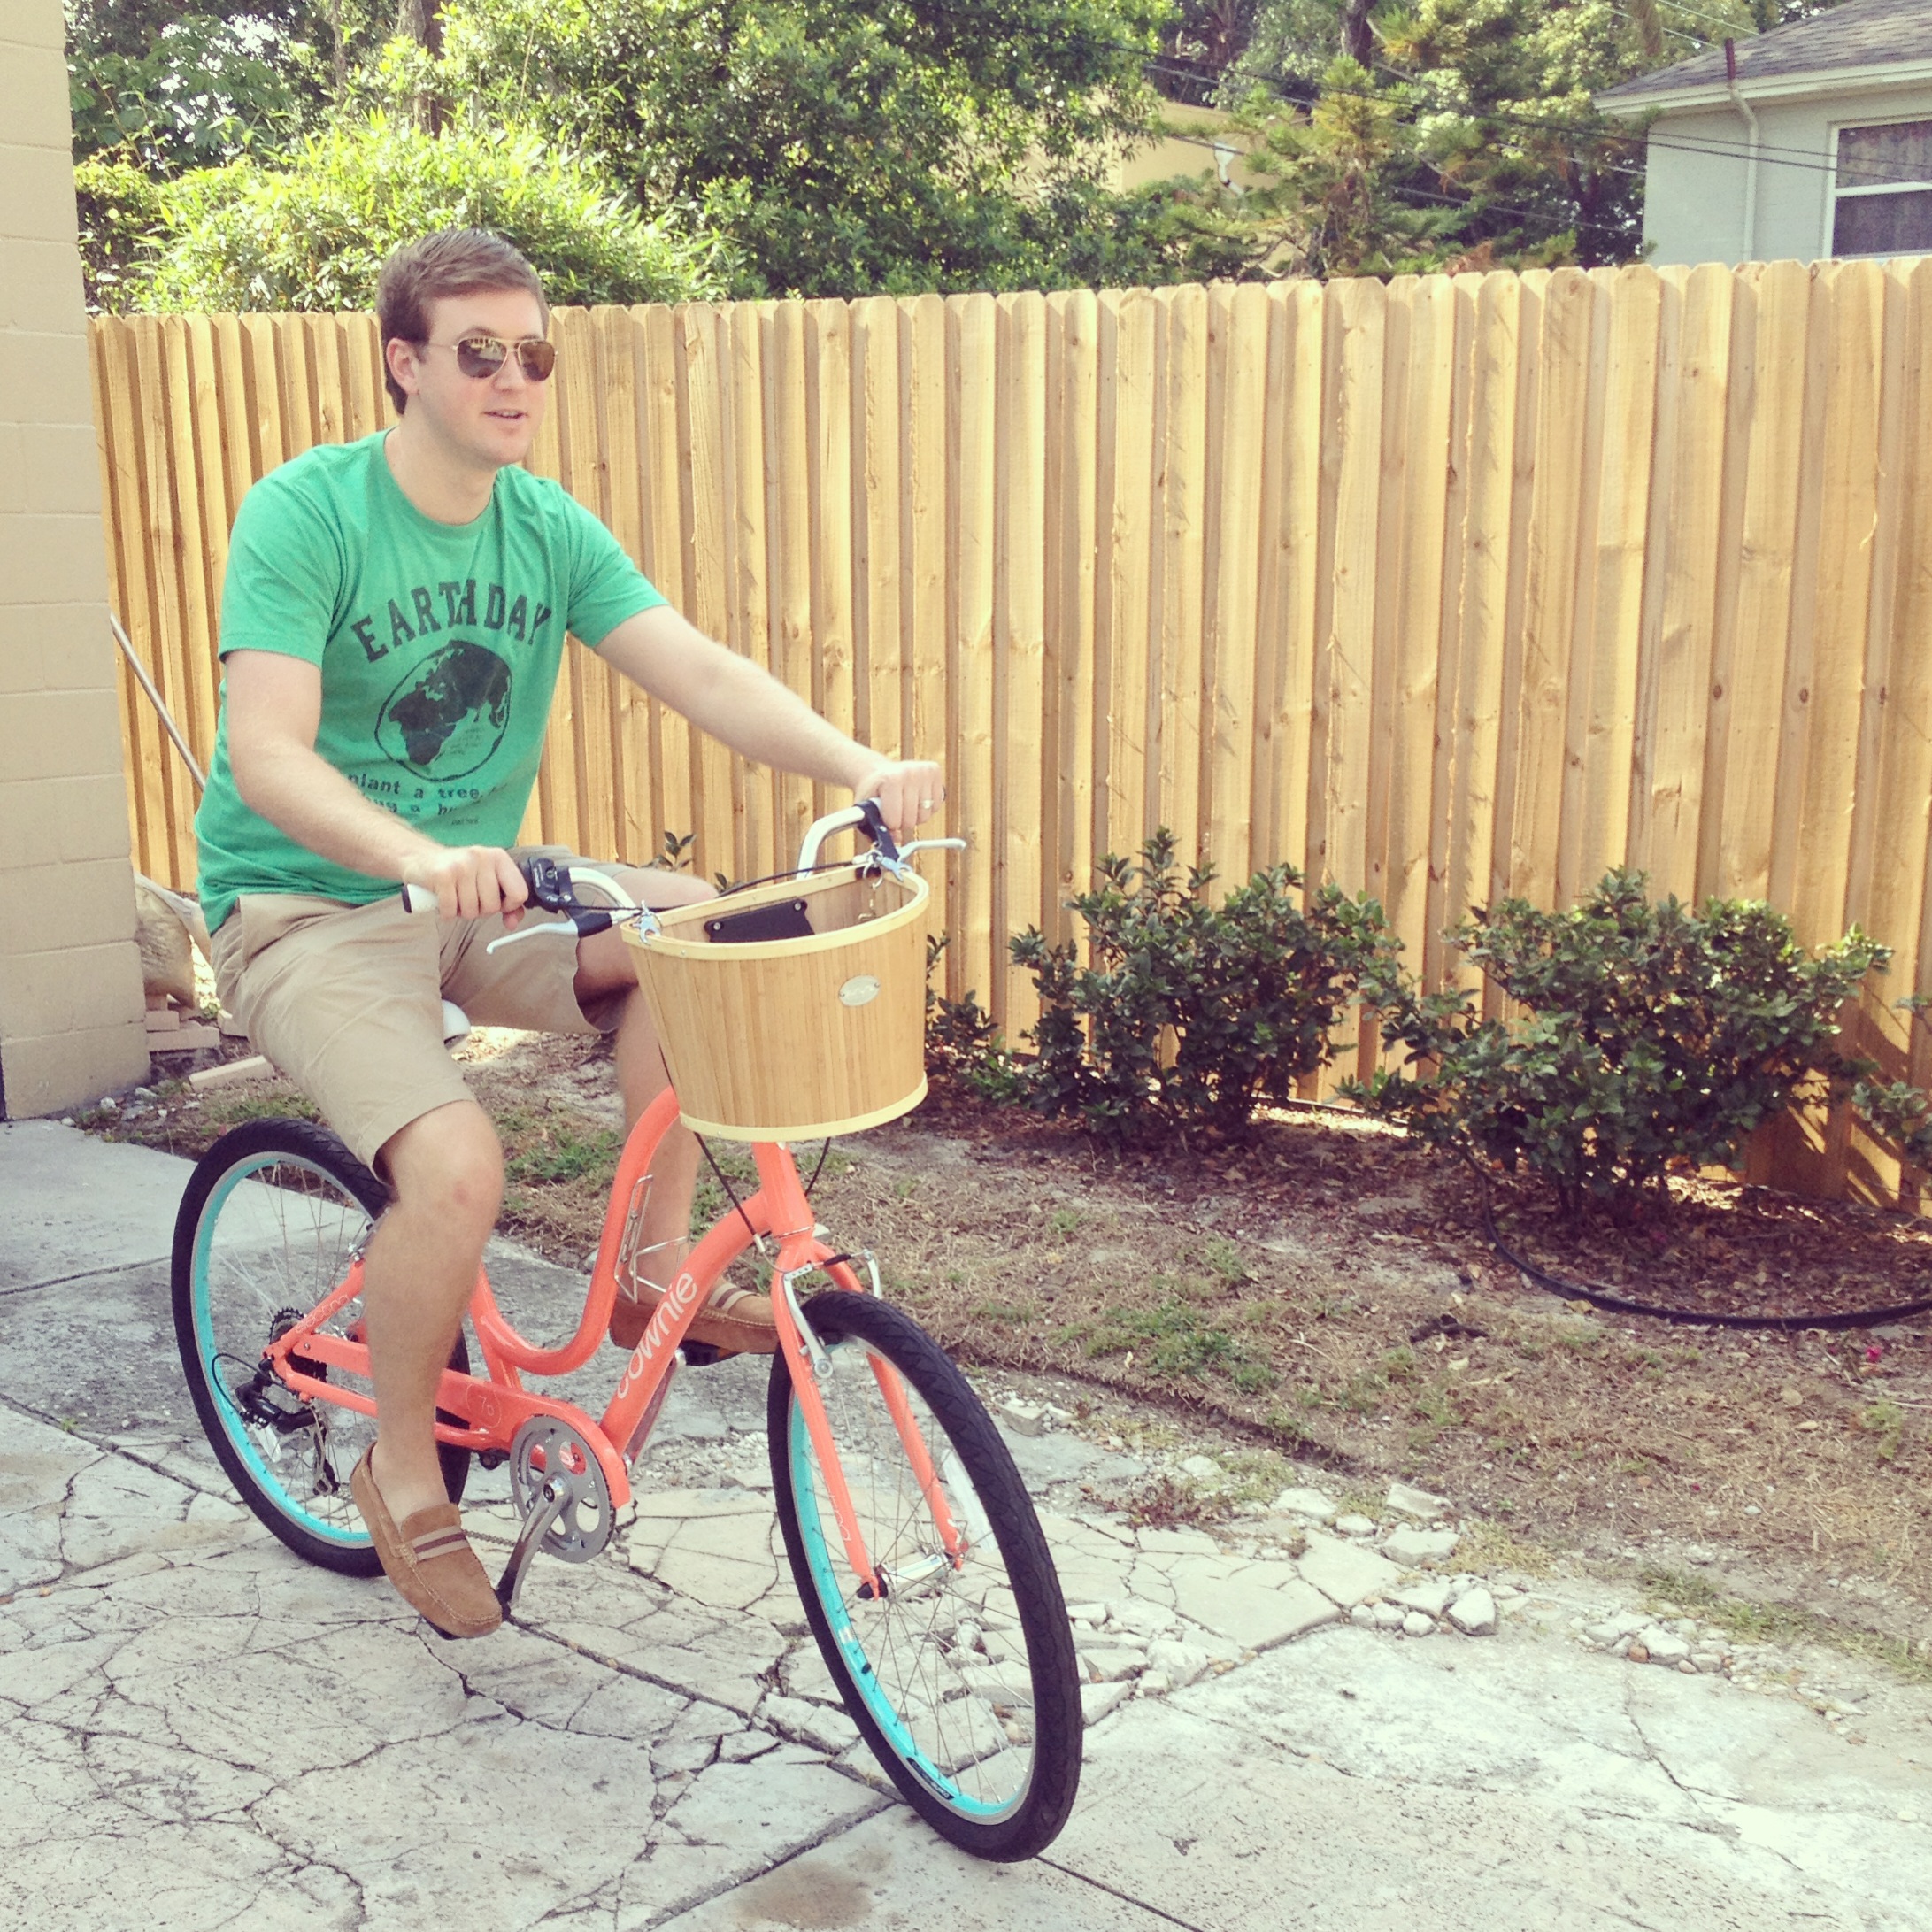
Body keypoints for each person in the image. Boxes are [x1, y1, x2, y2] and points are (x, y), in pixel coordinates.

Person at [195, 227, 944, 1640]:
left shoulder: (544, 528)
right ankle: (399, 1468)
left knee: (699, 937)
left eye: (533, 352)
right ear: (404, 363)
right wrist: (417, 854)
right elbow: (268, 753)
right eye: (478, 351)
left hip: (478, 895)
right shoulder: (307, 513)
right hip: (308, 908)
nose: (514, 378)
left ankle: (655, 1279)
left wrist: (859, 765)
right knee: (457, 1170)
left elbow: (698, 668)